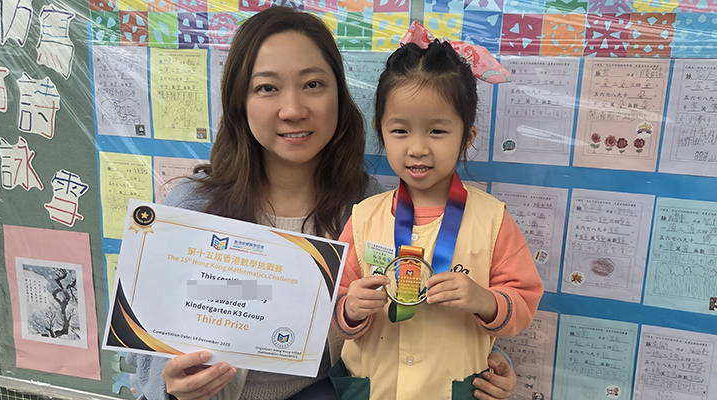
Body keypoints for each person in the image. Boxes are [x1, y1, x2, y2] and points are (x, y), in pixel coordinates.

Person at [128, 7, 518, 400]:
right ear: (239, 100)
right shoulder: (192, 208)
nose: (293, 110)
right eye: (267, 88)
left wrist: (484, 363)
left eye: (313, 84)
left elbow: (410, 315)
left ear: (339, 95)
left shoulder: (368, 208)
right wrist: (171, 387)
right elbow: (144, 347)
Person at [331, 27, 544, 400]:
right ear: (381, 132)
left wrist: (485, 300)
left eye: (437, 131)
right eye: (400, 131)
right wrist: (351, 308)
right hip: (374, 390)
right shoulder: (364, 217)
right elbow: (335, 305)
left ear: (467, 137)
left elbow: (523, 301)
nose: (417, 148)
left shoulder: (493, 220)